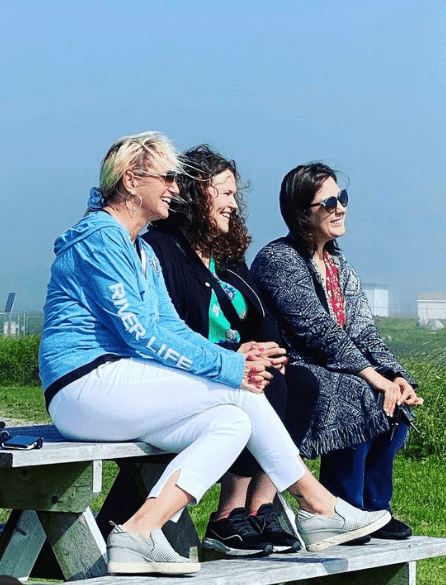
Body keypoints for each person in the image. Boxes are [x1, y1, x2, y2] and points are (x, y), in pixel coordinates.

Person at [38, 133, 391, 575]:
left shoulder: (140, 248)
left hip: (116, 382)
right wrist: (232, 366)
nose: (174, 188)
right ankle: (317, 506)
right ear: (131, 180)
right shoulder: (101, 239)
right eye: (167, 177)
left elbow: (167, 327)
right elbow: (141, 333)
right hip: (83, 384)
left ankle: (140, 530)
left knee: (233, 421)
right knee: (240, 393)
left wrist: (233, 361)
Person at [143, 144, 315, 555]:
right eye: (225, 193)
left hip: (237, 361)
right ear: (196, 195)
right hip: (191, 370)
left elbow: (262, 316)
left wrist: (266, 347)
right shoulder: (162, 250)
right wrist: (241, 350)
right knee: (259, 382)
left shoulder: (227, 254)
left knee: (304, 384)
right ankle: (226, 516)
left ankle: (261, 507)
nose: (233, 205)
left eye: (235, 195)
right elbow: (172, 330)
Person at [251, 162, 423, 540]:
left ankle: (375, 507)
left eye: (341, 198)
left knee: (393, 399)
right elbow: (317, 331)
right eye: (328, 201)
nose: (339, 207)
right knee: (359, 393)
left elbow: (363, 330)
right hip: (295, 365)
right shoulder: (278, 259)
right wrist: (373, 378)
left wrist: (397, 376)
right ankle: (343, 505)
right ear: (301, 213)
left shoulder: (339, 263)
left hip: (339, 365)